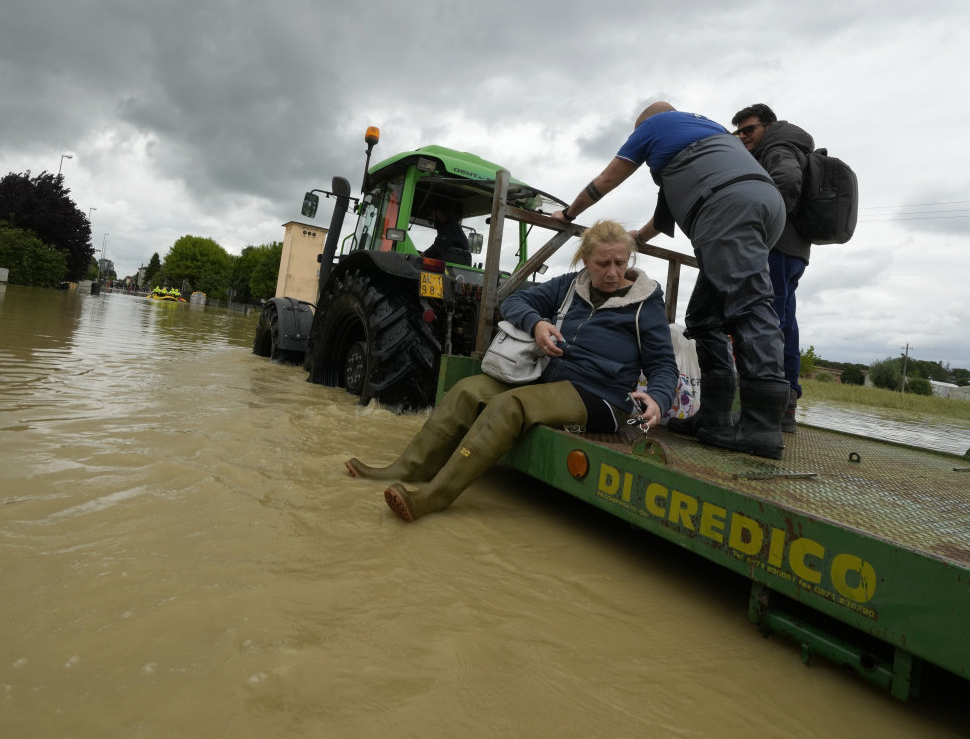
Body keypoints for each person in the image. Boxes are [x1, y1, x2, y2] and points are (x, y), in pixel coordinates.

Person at [345, 220, 679, 522]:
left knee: (509, 405)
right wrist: (537, 324)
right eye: (603, 263)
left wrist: (658, 399)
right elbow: (514, 303)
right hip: (548, 377)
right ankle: (408, 468)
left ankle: (434, 496)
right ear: (585, 260)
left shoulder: (645, 304)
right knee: (468, 390)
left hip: (601, 397)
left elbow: (663, 364)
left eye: (620, 262)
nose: (612, 272)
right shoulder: (569, 285)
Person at [550, 101, 788, 459]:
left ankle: (762, 427)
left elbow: (607, 179)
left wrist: (569, 213)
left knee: (749, 305)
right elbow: (663, 219)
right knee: (704, 317)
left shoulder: (654, 125)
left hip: (726, 205)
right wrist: (634, 240)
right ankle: (713, 416)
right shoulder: (704, 138)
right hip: (766, 203)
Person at [730, 103, 814, 432]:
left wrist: (762, 228)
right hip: (795, 251)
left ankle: (763, 408)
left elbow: (788, 181)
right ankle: (786, 405)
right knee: (783, 322)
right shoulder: (792, 146)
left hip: (777, 247)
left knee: (764, 321)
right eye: (738, 132)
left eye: (749, 130)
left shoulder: (777, 147)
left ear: (768, 126)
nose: (742, 136)